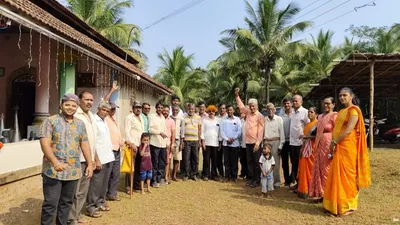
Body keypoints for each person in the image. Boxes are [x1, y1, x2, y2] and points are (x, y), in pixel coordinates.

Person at [39, 94, 94, 225]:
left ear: (77, 107)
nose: (70, 108)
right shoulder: (50, 121)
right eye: (67, 104)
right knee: (51, 203)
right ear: (61, 105)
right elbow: (44, 144)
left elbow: (85, 144)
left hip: (72, 171)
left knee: (66, 203)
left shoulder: (80, 124)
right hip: (53, 170)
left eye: (73, 105)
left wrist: (90, 164)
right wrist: (55, 162)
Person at [323, 87, 371, 217]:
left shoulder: (354, 111)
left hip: (348, 147)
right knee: (335, 174)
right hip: (339, 146)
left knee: (347, 176)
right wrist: (334, 143)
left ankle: (348, 206)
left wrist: (334, 142)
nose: (342, 98)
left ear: (351, 96)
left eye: (345, 95)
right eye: (340, 96)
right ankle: (334, 204)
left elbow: (349, 129)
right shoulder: (343, 111)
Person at [69, 91, 98, 225]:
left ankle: (77, 215)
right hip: (77, 159)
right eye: (86, 99)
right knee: (74, 191)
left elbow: (92, 140)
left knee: (83, 191)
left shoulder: (91, 116)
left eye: (91, 100)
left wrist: (94, 158)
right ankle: (71, 218)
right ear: (80, 100)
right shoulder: (75, 114)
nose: (89, 102)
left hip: (89, 159)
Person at [86, 102, 115, 217]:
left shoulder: (104, 121)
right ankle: (91, 207)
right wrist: (96, 159)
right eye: (103, 110)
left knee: (104, 183)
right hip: (99, 158)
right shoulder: (93, 120)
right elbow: (92, 142)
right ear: (98, 109)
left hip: (108, 156)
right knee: (96, 184)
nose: (105, 112)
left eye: (107, 111)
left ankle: (100, 202)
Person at [309, 97, 337, 200]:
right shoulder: (320, 116)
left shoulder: (335, 116)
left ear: (333, 105)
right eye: (324, 103)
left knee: (326, 169)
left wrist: (333, 146)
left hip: (329, 143)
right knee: (319, 168)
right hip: (319, 143)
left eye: (328, 103)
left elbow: (336, 132)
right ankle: (320, 193)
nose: (326, 105)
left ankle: (328, 194)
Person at [235, 88, 264, 188]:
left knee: (256, 162)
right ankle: (251, 178)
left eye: (253, 106)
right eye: (250, 106)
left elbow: (261, 131)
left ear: (257, 106)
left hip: (255, 143)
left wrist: (257, 143)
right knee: (249, 162)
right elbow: (241, 106)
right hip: (247, 142)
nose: (251, 108)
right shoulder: (247, 113)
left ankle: (257, 179)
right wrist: (237, 96)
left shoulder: (260, 116)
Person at [104, 81, 123, 201]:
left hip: (117, 149)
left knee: (116, 174)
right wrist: (112, 90)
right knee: (107, 174)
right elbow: (104, 102)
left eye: (114, 109)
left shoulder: (114, 119)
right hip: (109, 149)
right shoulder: (105, 117)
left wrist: (123, 141)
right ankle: (104, 196)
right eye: (111, 109)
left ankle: (112, 194)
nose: (113, 111)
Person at [296, 107, 318, 198]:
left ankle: (310, 190)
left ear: (316, 114)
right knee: (303, 168)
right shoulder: (308, 124)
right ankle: (303, 189)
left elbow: (317, 136)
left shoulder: (317, 124)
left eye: (312, 112)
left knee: (311, 169)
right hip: (305, 148)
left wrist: (306, 137)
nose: (309, 114)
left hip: (312, 150)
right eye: (309, 112)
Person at [263, 103, 285, 189]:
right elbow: (262, 132)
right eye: (268, 109)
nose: (270, 111)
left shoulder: (279, 119)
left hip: (276, 141)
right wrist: (262, 145)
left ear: (275, 110)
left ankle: (276, 182)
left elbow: (282, 132)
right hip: (266, 142)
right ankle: (267, 181)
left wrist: (281, 145)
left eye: (272, 109)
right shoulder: (264, 119)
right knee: (266, 163)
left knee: (275, 163)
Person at [289, 95, 309, 189]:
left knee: (301, 165)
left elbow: (309, 126)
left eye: (296, 101)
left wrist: (305, 138)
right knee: (294, 164)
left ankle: (302, 184)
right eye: (293, 101)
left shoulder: (305, 112)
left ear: (301, 102)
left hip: (301, 143)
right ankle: (297, 183)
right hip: (292, 142)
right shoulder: (292, 112)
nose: (294, 102)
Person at [124, 101, 145, 193]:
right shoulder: (129, 117)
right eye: (136, 107)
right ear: (133, 108)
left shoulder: (141, 118)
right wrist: (131, 143)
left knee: (138, 166)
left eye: (140, 107)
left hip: (140, 145)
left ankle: (136, 185)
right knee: (130, 166)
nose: (138, 109)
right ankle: (129, 186)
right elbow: (127, 131)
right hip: (132, 145)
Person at [181, 103, 202, 181]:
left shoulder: (198, 118)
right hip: (186, 140)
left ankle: (194, 174)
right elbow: (182, 130)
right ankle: (187, 174)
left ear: (194, 109)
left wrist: (199, 141)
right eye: (190, 109)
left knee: (195, 158)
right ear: (187, 109)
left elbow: (199, 130)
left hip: (195, 141)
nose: (191, 110)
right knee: (186, 158)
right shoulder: (183, 117)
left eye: (192, 109)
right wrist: (182, 141)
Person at [148, 102, 168, 187]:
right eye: (158, 107)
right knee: (154, 162)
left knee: (162, 163)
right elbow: (150, 129)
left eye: (161, 108)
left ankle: (159, 179)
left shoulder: (163, 117)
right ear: (156, 108)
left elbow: (164, 130)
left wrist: (166, 142)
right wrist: (159, 133)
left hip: (162, 144)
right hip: (155, 143)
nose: (160, 109)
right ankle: (154, 180)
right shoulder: (152, 116)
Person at [220, 105, 242, 182]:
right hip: (226, 144)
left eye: (231, 110)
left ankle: (234, 176)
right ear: (226, 111)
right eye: (228, 110)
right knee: (226, 161)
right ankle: (227, 176)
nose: (229, 111)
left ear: (233, 111)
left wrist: (233, 138)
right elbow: (221, 131)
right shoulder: (223, 120)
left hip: (235, 144)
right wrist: (227, 139)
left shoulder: (237, 120)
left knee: (234, 161)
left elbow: (239, 131)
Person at [201, 105, 220, 181]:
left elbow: (220, 132)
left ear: (215, 112)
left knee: (215, 160)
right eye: (210, 111)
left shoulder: (218, 121)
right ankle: (205, 174)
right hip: (207, 143)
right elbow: (202, 131)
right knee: (206, 159)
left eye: (213, 111)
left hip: (215, 143)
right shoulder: (205, 120)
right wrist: (203, 141)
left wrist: (220, 142)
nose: (211, 112)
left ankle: (214, 174)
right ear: (207, 112)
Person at [280, 98, 294, 186]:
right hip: (284, 141)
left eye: (288, 103)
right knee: (284, 162)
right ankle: (287, 180)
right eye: (285, 103)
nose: (286, 105)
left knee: (294, 161)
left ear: (291, 104)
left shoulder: (295, 114)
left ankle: (292, 178)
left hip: (293, 141)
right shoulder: (281, 115)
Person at [163, 105, 176, 184]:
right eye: (164, 110)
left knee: (168, 161)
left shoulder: (171, 121)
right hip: (159, 143)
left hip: (168, 143)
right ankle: (159, 176)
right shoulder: (159, 119)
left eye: (167, 111)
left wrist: (172, 144)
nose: (165, 112)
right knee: (160, 161)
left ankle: (166, 177)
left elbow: (173, 133)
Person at [170, 105, 183, 181]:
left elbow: (182, 132)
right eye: (174, 110)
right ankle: (167, 175)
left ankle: (174, 175)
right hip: (169, 140)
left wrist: (181, 143)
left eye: (176, 110)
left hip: (177, 140)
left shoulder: (181, 119)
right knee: (168, 159)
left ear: (178, 111)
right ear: (172, 110)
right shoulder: (169, 118)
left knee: (177, 158)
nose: (175, 111)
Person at [216, 104, 227, 178]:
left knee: (226, 159)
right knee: (218, 158)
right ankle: (221, 173)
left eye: (223, 108)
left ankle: (227, 173)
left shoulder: (228, 118)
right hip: (218, 141)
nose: (222, 110)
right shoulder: (216, 118)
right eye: (221, 108)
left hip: (227, 142)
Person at [239, 111, 247, 179]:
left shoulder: (250, 120)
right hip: (242, 144)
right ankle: (243, 173)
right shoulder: (240, 121)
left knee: (248, 160)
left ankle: (249, 174)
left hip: (249, 144)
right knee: (242, 160)